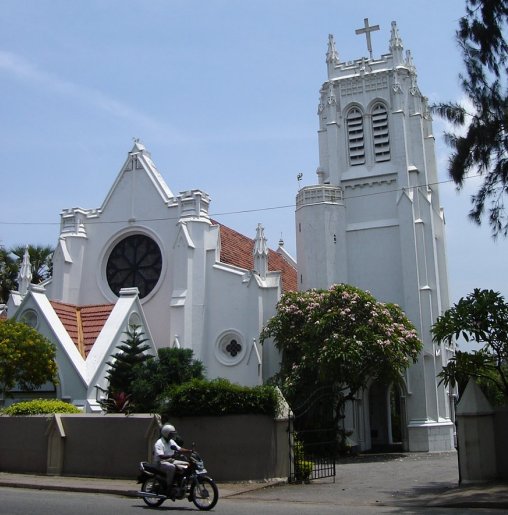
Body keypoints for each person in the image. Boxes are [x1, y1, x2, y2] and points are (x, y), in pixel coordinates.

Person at [153, 423, 191, 491]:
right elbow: (161, 456)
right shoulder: (159, 443)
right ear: (166, 433)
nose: (173, 435)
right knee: (172, 467)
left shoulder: (171, 441)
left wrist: (189, 451)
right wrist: (172, 456)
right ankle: (169, 486)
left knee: (187, 464)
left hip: (170, 461)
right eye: (171, 434)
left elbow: (179, 449)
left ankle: (180, 483)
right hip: (160, 463)